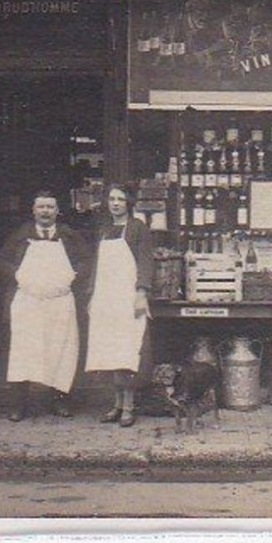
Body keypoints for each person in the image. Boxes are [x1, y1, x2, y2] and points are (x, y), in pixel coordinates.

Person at [0, 190, 88, 421]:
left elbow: (87, 261)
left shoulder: (69, 235)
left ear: (57, 211)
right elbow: (0, 261)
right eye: (41, 207)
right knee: (23, 352)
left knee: (62, 351)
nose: (45, 211)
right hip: (28, 301)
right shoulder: (20, 235)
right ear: (33, 210)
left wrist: (73, 277)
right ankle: (18, 404)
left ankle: (60, 401)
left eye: (50, 207)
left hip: (60, 302)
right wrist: (17, 276)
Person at [83, 183, 154, 427]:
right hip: (106, 298)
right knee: (109, 351)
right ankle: (116, 404)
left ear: (129, 203)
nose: (115, 203)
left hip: (128, 297)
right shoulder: (104, 229)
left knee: (128, 350)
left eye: (120, 199)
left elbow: (145, 262)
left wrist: (142, 292)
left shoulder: (138, 228)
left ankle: (129, 406)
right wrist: (92, 294)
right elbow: (97, 266)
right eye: (112, 199)